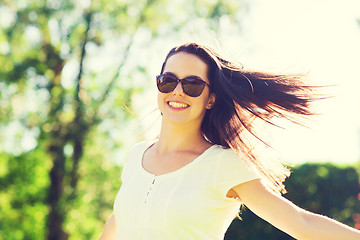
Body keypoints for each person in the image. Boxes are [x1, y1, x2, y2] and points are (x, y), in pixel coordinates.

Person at [98, 42, 360, 240]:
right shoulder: (136, 156)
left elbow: (302, 224)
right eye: (168, 81)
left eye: (192, 85)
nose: (177, 91)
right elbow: (118, 224)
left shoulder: (222, 164)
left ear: (211, 99)